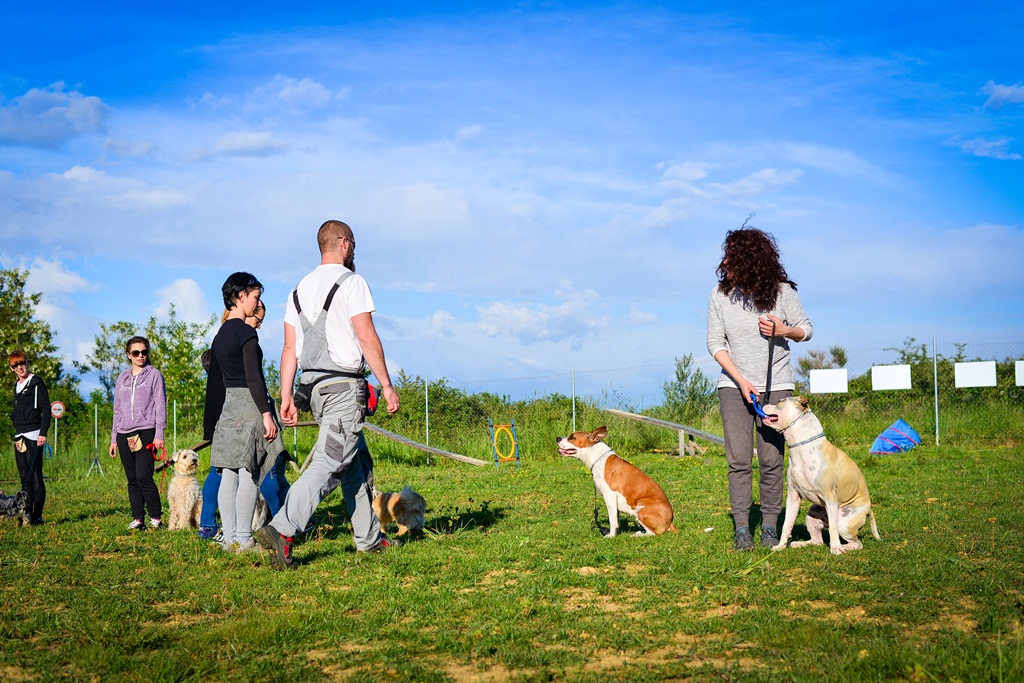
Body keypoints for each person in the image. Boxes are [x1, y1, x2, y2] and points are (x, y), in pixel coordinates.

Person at [255, 219, 399, 569]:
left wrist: (286, 396)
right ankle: (282, 529)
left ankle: (369, 540)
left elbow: (289, 349)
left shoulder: (297, 290)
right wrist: (386, 384)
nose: (354, 253)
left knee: (355, 464)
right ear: (344, 243)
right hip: (343, 389)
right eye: (354, 246)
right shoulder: (352, 282)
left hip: (314, 389)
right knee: (331, 462)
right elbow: (365, 335)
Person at [706, 225, 813, 551]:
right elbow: (715, 343)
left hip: (777, 387)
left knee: (771, 460)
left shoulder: (782, 292)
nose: (725, 261)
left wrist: (784, 330)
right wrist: (741, 381)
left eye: (732, 255)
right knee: (738, 460)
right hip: (733, 387)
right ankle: (742, 529)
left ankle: (769, 527)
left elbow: (807, 330)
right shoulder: (720, 295)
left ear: (750, 259)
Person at [197, 301, 291, 540]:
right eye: (258, 319)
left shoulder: (222, 337)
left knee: (225, 473)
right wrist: (266, 413)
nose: (258, 325)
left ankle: (225, 534)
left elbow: (217, 383)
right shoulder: (244, 337)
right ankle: (246, 535)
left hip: (225, 411)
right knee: (251, 471)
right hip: (244, 409)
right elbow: (253, 379)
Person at [109, 337, 167, 530]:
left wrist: (159, 434)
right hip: (123, 433)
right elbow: (117, 410)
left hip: (146, 431)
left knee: (144, 475)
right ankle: (138, 518)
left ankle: (156, 517)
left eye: (144, 352)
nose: (140, 356)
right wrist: (114, 439)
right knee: (132, 479)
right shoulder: (122, 378)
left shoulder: (154, 375)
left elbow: (160, 406)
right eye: (136, 353)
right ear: (129, 355)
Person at [9, 351, 50, 525]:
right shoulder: (16, 385)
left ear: (27, 363)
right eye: (16, 365)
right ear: (12, 368)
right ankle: (26, 514)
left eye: (22, 363)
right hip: (19, 435)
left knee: (35, 475)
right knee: (24, 476)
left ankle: (37, 515)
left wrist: (43, 432)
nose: (20, 367)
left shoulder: (36, 383)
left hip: (34, 434)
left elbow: (46, 408)